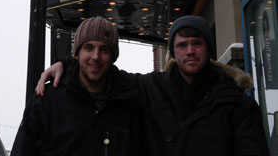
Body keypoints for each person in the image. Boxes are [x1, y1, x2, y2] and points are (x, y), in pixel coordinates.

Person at [36, 15, 270, 156]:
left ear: (208, 49)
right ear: (172, 51)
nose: (189, 51)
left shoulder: (238, 104)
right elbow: (101, 70)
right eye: (182, 45)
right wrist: (67, 64)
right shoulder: (151, 87)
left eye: (196, 43)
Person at [11, 17, 148, 156]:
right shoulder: (45, 101)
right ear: (77, 53)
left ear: (113, 57)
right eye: (89, 47)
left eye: (104, 49)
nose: (96, 56)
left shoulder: (130, 103)